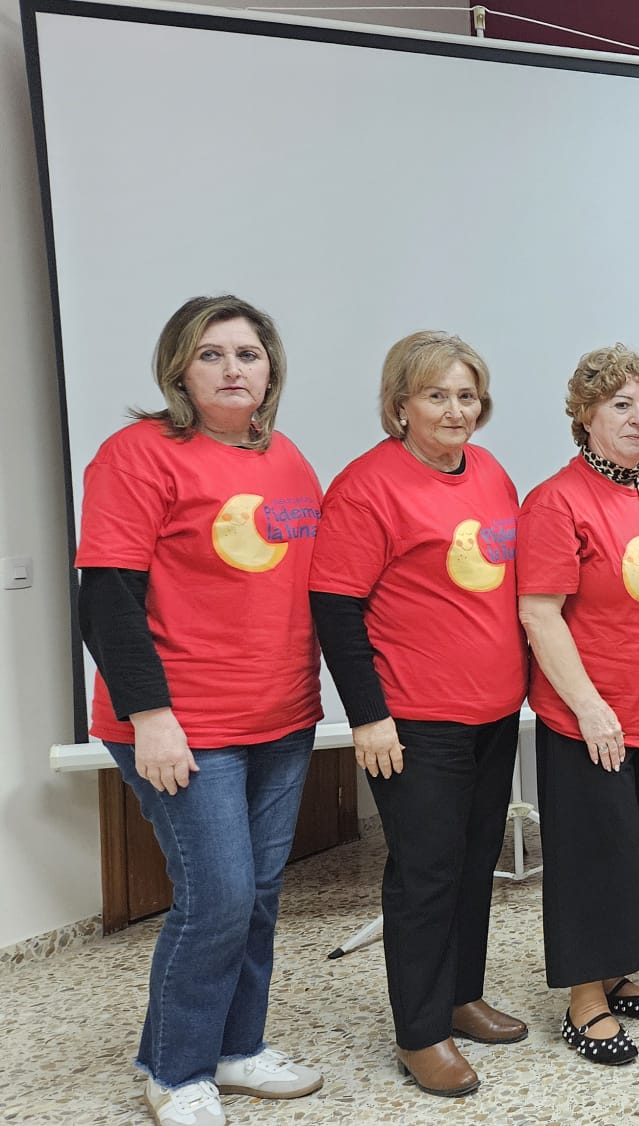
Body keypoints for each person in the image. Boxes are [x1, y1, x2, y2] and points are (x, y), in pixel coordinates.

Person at [77, 296, 326, 1126]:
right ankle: (174, 1066)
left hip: (281, 718)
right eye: (211, 354)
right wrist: (150, 716)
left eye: (248, 354)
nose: (232, 370)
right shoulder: (137, 454)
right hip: (182, 724)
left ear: (271, 370)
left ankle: (236, 1047)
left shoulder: (289, 461)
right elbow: (107, 597)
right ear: (179, 368)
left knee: (255, 895)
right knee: (215, 898)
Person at [308, 331, 528, 1098]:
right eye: (436, 394)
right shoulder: (367, 486)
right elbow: (336, 608)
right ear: (399, 404)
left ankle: (461, 996)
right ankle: (421, 1031)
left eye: (467, 395)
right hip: (415, 720)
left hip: (495, 712)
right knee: (426, 876)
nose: (455, 409)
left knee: (473, 867)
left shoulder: (491, 472)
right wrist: (367, 717)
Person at [517, 345, 639, 1065]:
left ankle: (616, 972)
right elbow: (539, 613)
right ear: (585, 413)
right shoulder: (557, 499)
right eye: (622, 405)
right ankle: (584, 1002)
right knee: (592, 856)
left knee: (638, 851)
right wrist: (587, 706)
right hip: (591, 714)